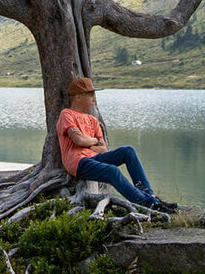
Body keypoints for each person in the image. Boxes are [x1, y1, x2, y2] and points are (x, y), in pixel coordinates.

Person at [56, 77, 178, 213]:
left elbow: (103, 148)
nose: (94, 99)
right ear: (78, 97)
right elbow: (78, 141)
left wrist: (87, 142)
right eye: (91, 95)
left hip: (95, 159)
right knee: (112, 171)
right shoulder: (67, 114)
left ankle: (151, 197)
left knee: (128, 151)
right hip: (78, 163)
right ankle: (146, 204)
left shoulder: (93, 120)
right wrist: (94, 141)